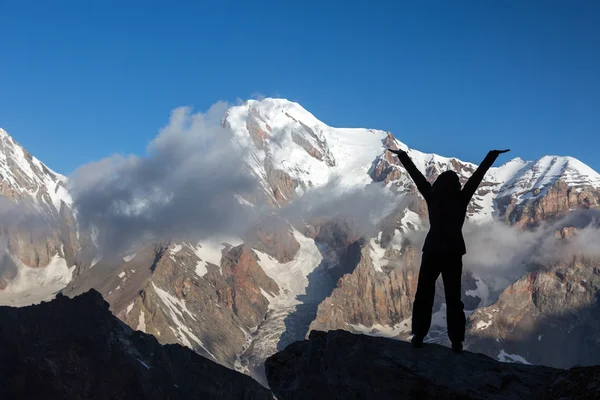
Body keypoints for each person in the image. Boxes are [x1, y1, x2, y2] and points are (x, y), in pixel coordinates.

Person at [387, 147, 510, 353]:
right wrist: (491, 155)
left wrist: (402, 156)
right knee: (454, 298)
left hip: (432, 250)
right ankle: (456, 341)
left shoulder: (432, 197)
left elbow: (416, 177)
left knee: (424, 293)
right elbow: (477, 177)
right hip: (453, 253)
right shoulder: (461, 199)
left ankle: (418, 334)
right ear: (455, 185)